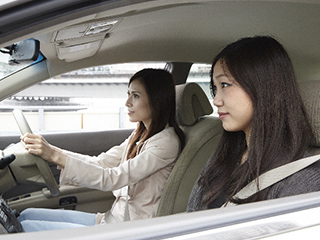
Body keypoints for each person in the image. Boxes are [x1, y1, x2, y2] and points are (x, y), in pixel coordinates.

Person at [18, 68, 184, 232]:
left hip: (129, 230)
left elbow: (112, 178)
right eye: (128, 94)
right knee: (26, 215)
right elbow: (100, 162)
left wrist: (54, 155)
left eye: (136, 95)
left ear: (157, 100)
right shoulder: (141, 134)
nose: (127, 103)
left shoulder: (165, 143)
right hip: (110, 220)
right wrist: (51, 150)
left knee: (26, 228)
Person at [187, 36, 320, 212]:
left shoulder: (302, 178)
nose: (216, 100)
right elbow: (192, 214)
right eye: (215, 88)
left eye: (225, 84)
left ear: (263, 87)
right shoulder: (226, 155)